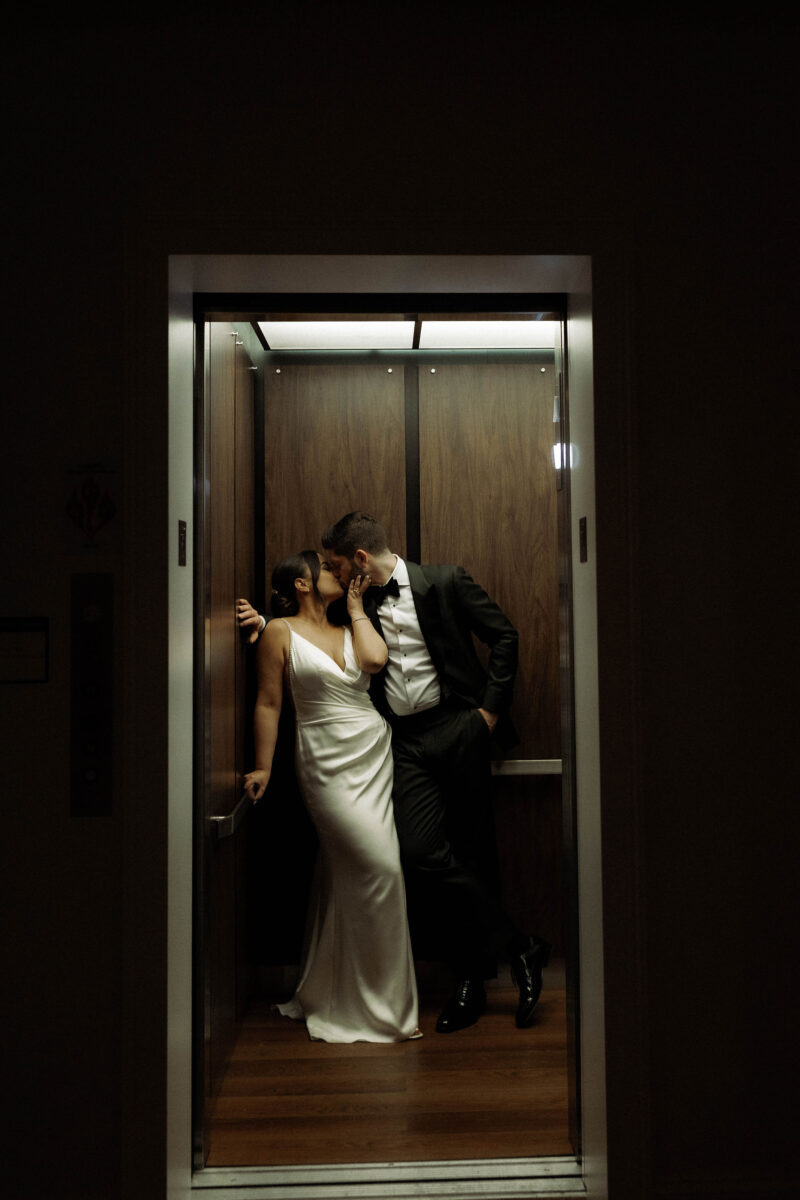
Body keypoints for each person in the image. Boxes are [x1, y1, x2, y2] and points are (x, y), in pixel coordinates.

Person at [240, 513, 551, 1034]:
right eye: (328, 569)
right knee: (419, 854)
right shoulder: (351, 607)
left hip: (457, 728)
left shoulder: (445, 580)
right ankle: (521, 946)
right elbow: (297, 646)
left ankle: (473, 980)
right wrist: (259, 627)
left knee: (471, 848)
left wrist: (488, 714)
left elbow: (505, 637)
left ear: (359, 559)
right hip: (400, 743)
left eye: (336, 564)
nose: (335, 574)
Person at [241, 549, 420, 1044]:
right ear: (301, 584)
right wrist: (263, 765)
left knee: (348, 875)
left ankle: (344, 993)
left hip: (371, 753)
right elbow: (269, 702)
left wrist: (359, 610)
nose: (335, 573)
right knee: (380, 867)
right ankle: (379, 1004)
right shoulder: (278, 631)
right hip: (324, 759)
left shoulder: (347, 630)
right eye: (324, 569)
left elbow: (375, 660)